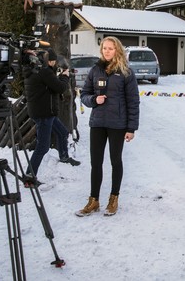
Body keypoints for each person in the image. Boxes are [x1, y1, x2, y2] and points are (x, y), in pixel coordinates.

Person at [76, 36, 140, 217]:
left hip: (117, 125)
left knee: (115, 161)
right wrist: (93, 100)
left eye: (110, 48)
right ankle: (94, 200)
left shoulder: (126, 72)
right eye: (104, 48)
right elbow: (84, 95)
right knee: (95, 163)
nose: (107, 51)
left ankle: (113, 198)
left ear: (117, 50)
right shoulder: (95, 70)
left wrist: (131, 128)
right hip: (97, 123)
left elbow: (133, 102)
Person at [23, 47, 80, 178]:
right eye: (53, 61)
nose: (55, 63)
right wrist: (65, 76)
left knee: (62, 133)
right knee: (42, 147)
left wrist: (58, 76)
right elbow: (60, 87)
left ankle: (64, 157)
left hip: (45, 112)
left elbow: (49, 85)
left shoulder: (35, 70)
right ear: (49, 61)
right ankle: (29, 176)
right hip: (44, 113)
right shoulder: (44, 72)